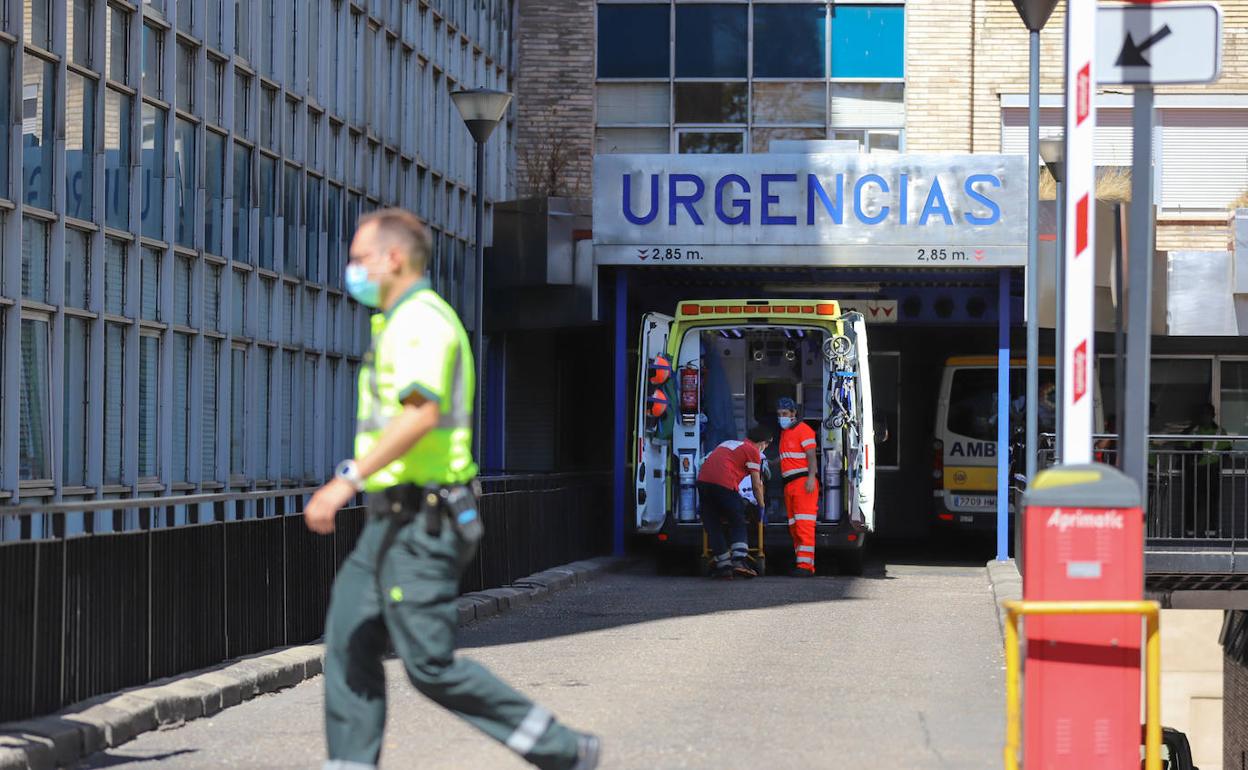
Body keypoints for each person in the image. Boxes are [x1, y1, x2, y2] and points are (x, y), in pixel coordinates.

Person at [303, 209, 600, 770]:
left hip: (427, 519)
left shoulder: (421, 323)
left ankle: (562, 749)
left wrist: (346, 480)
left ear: (393, 259)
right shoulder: (394, 323)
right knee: (348, 635)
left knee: (429, 664)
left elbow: (420, 414)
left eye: (360, 259)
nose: (352, 270)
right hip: (391, 519)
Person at [696, 426, 772, 579]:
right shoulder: (752, 451)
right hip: (724, 484)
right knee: (737, 518)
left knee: (713, 525)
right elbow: (757, 484)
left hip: (703, 483)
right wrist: (761, 506)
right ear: (763, 443)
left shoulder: (728, 443)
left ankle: (723, 566)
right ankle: (739, 561)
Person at [776, 398, 819, 577]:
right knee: (794, 527)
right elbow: (787, 457)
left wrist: (811, 478)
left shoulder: (804, 431)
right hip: (790, 485)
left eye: (785, 414)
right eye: (779, 415)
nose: (782, 418)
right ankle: (802, 563)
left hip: (803, 484)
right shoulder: (785, 433)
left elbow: (811, 457)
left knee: (804, 526)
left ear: (793, 413)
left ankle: (805, 567)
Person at [1182, 403, 1231, 537]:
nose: (1205, 417)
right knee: (1192, 500)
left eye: (1207, 414)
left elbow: (1227, 452)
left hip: (1212, 470)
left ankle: (1211, 530)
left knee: (1212, 501)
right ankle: (1190, 531)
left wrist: (1220, 466)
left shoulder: (1220, 432)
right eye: (1203, 414)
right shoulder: (1194, 431)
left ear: (1213, 415)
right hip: (1195, 470)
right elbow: (1185, 449)